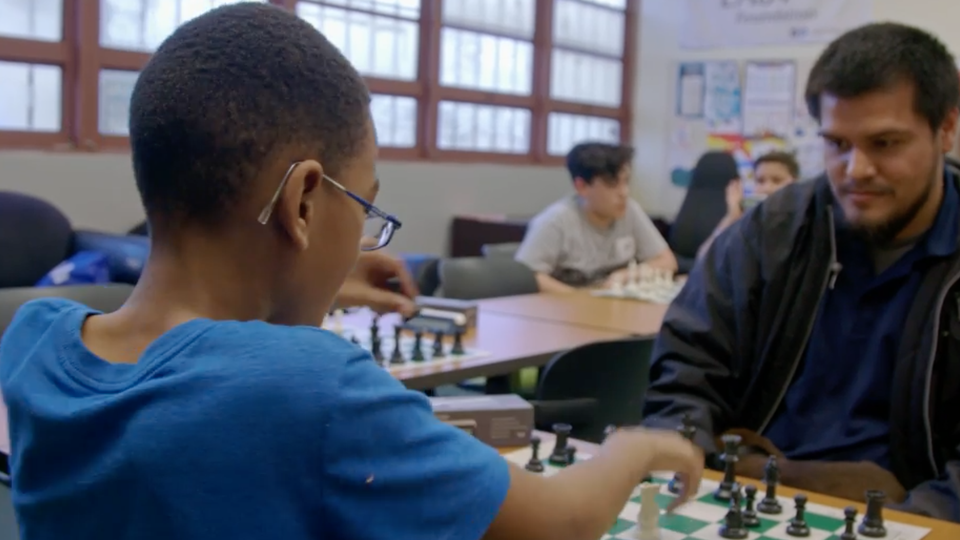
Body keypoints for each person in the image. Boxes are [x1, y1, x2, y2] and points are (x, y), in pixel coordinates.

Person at [0, 4, 704, 540]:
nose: (363, 235)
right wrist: (635, 447)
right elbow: (562, 523)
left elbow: (181, 347)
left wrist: (329, 284)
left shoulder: (35, 342)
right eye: (363, 203)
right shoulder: (312, 384)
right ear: (303, 200)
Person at [641, 21, 960, 522]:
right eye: (837, 144)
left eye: (885, 144)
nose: (855, 169)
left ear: (946, 129)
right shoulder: (773, 231)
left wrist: (911, 523)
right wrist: (688, 456)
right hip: (755, 493)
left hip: (905, 515)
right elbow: (687, 367)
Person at [515, 142, 677, 293]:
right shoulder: (555, 221)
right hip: (566, 312)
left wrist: (625, 276)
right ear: (582, 187)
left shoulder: (630, 210)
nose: (624, 193)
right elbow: (528, 276)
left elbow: (666, 261)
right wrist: (577, 299)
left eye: (626, 182)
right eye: (612, 184)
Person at [696, 151, 799, 259]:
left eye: (777, 180)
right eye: (760, 181)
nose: (767, 188)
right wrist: (732, 216)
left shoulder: (801, 221)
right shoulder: (750, 220)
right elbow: (703, 256)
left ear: (795, 184)